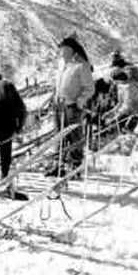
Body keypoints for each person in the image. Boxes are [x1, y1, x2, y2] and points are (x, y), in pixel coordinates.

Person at [45, 34, 94, 177]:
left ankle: (76, 166)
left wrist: (80, 101)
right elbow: (58, 85)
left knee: (74, 135)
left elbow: (89, 88)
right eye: (61, 50)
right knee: (58, 136)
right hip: (59, 105)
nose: (61, 53)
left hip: (72, 106)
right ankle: (57, 165)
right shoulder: (62, 65)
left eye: (64, 50)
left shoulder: (81, 66)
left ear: (72, 50)